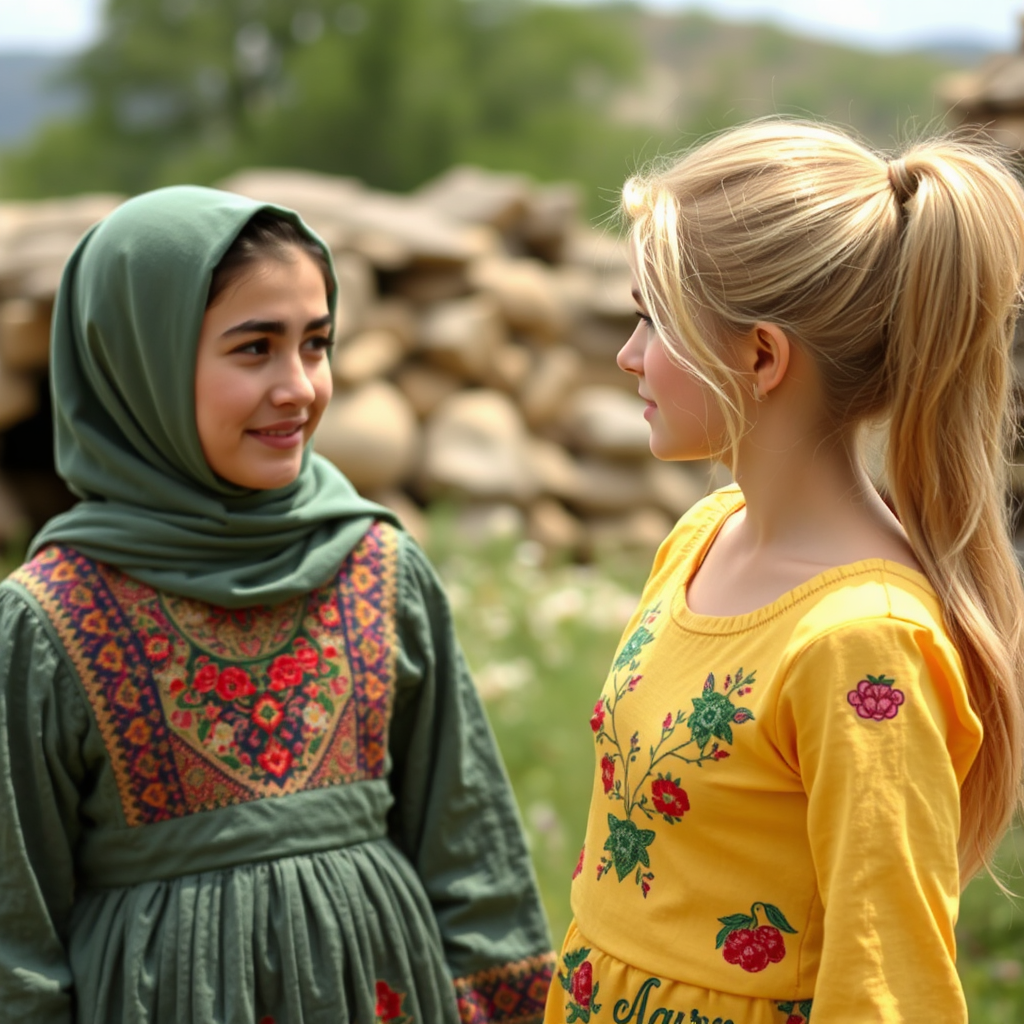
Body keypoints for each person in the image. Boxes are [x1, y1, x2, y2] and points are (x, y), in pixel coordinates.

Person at [0, 185, 554, 1023]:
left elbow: (469, 847)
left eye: (316, 344)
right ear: (137, 360)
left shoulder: (378, 568)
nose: (298, 387)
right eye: (254, 348)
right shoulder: (49, 623)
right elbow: (16, 938)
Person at [544, 120, 1024, 1024]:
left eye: (655, 319)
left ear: (761, 357)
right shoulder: (703, 535)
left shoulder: (864, 641)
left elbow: (890, 981)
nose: (627, 354)